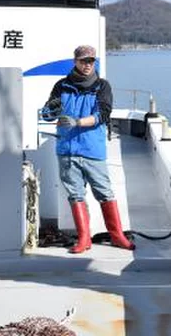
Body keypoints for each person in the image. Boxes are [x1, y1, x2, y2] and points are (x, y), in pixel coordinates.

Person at [42, 45, 135, 253]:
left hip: (92, 149)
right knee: (75, 194)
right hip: (66, 150)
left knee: (104, 192)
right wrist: (51, 110)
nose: (88, 65)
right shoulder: (62, 86)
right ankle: (84, 238)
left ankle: (117, 235)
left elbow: (103, 114)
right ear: (75, 61)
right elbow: (47, 113)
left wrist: (77, 122)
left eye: (91, 61)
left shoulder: (102, 86)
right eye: (84, 60)